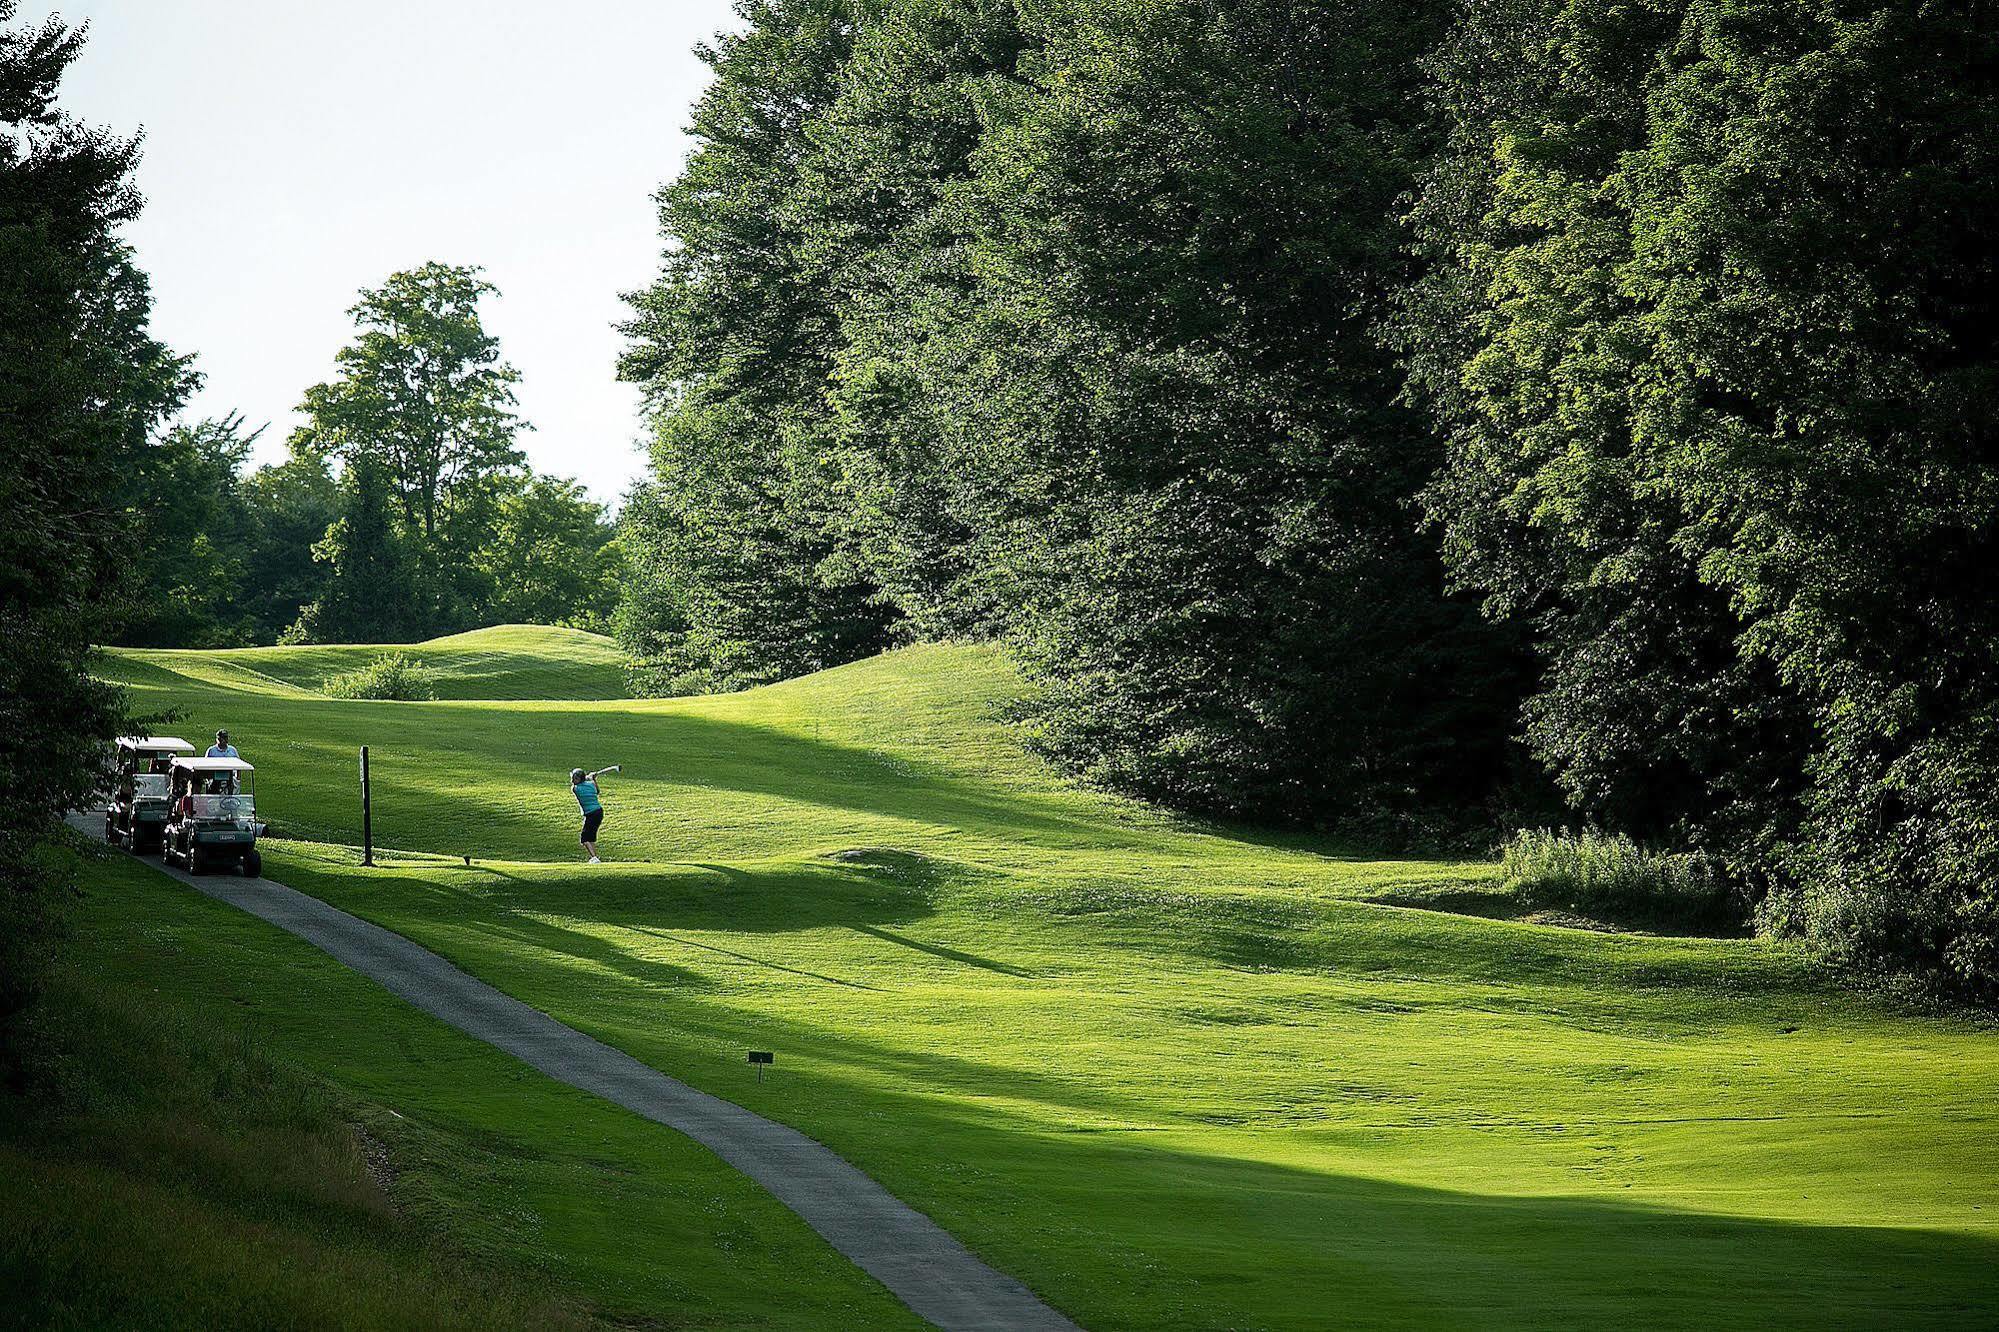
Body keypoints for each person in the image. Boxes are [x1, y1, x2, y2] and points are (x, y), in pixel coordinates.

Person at [571, 767, 610, 863]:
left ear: (579, 779)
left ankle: (594, 858)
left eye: (575, 778)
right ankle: (595, 857)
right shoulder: (591, 784)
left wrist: (590, 778)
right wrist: (593, 779)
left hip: (591, 814)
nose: (572, 780)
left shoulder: (576, 788)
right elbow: (597, 791)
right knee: (591, 838)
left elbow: (580, 785)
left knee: (584, 839)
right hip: (598, 812)